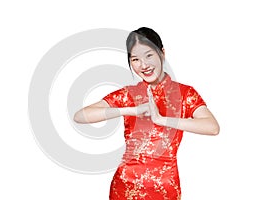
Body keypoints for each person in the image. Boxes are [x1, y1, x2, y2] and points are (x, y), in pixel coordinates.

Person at [74, 27, 220, 200]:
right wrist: (131, 110)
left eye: (149, 55)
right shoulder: (128, 94)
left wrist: (162, 119)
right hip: (125, 188)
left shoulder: (184, 93)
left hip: (165, 189)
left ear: (162, 53)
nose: (143, 65)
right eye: (135, 59)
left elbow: (212, 127)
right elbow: (80, 116)